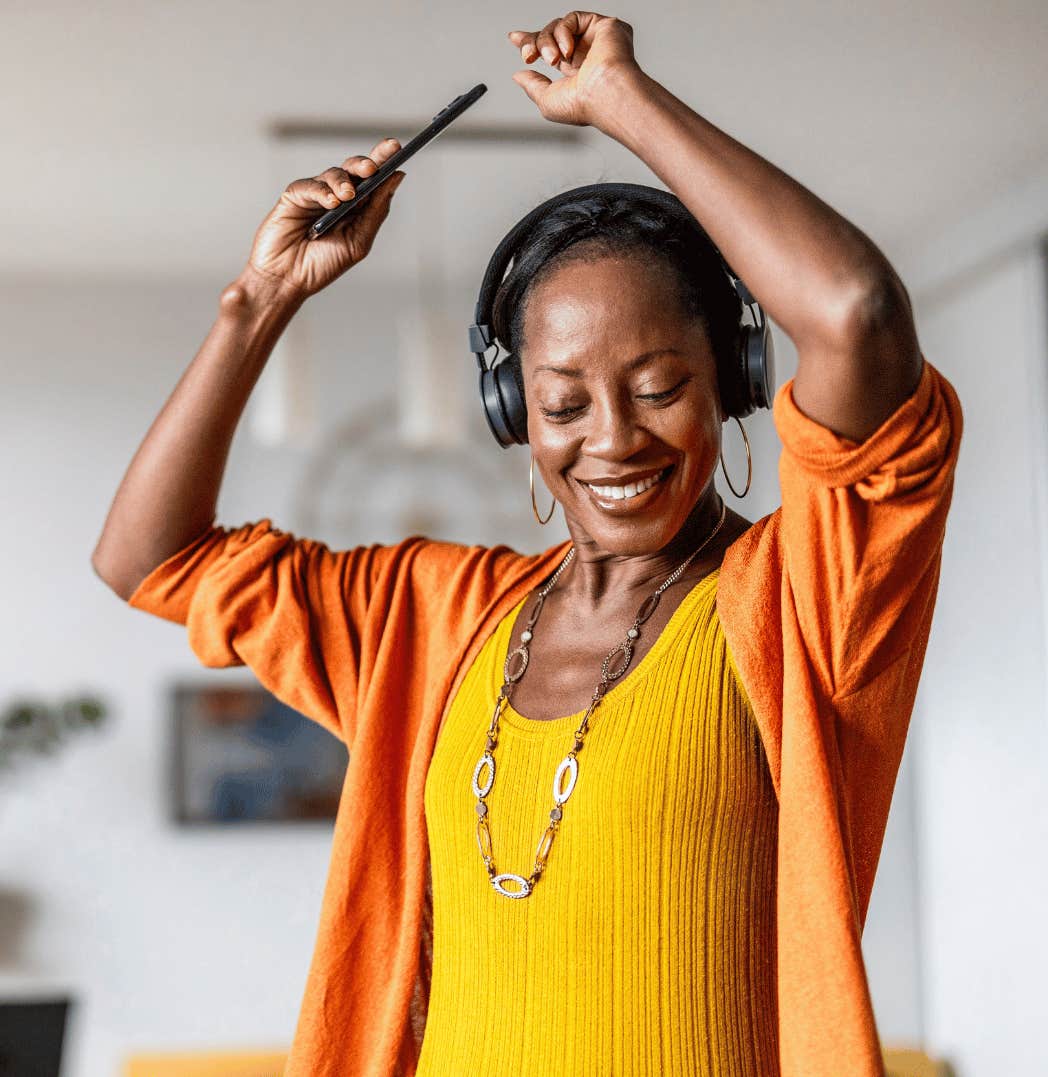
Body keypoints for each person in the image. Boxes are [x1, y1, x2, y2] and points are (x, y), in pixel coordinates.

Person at [91, 12, 963, 1077]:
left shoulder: (806, 596)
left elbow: (856, 311)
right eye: (560, 401)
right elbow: (151, 559)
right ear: (512, 411)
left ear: (732, 384)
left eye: (657, 390)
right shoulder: (429, 619)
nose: (610, 438)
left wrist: (623, 104)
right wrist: (258, 300)